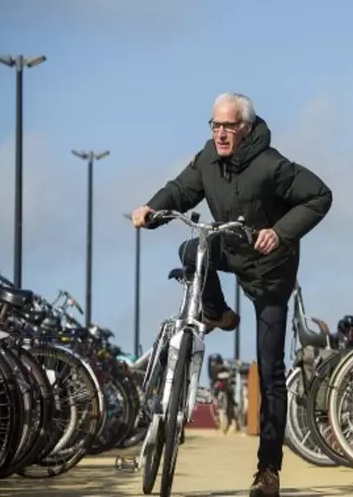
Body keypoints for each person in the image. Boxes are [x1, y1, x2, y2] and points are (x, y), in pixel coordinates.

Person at [130, 93, 332, 496]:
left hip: (271, 273)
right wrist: (151, 209)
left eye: (228, 126)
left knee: (271, 371)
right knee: (192, 250)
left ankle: (268, 472)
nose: (220, 133)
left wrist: (281, 232)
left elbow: (320, 196)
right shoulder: (208, 158)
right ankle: (218, 313)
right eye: (215, 125)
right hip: (232, 250)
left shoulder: (272, 165)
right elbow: (181, 189)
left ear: (246, 128)